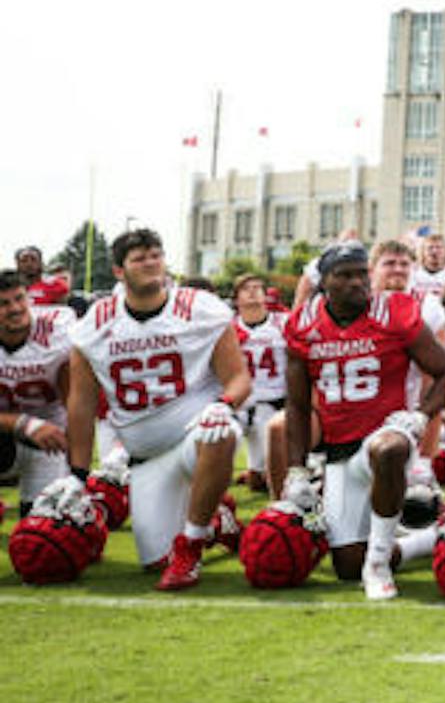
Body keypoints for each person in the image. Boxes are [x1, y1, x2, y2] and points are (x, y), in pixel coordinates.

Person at [66, 229, 252, 588]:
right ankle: (216, 523)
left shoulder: (199, 309)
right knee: (154, 561)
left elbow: (239, 379)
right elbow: (81, 402)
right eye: (139, 258)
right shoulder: (95, 324)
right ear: (119, 271)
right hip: (145, 456)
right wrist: (77, 474)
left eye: (156, 255)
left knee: (221, 429)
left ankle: (193, 544)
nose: (151, 263)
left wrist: (223, 405)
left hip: (193, 436)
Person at [281, 241, 445, 599]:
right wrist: (295, 470)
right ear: (324, 282)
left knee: (387, 448)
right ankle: (430, 538)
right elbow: (296, 406)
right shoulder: (303, 324)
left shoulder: (395, 311)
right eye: (345, 275)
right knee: (345, 566)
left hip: (390, 433)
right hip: (340, 452)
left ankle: (378, 564)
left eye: (362, 274)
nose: (357, 283)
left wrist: (419, 416)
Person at [0, 270, 73, 512]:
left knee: (42, 532)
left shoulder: (58, 330)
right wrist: (25, 424)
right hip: (6, 435)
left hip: (50, 438)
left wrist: (77, 469)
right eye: (3, 303)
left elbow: (75, 400)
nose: (15, 308)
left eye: (20, 298)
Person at [231, 273, 289, 494]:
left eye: (258, 288)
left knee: (262, 482)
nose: (253, 291)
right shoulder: (227, 327)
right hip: (238, 405)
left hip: (271, 404)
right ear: (236, 299)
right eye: (247, 288)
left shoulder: (283, 323)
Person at [411, 232, 445, 303]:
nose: (434, 251)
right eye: (430, 248)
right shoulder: (412, 272)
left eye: (438, 247)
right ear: (423, 251)